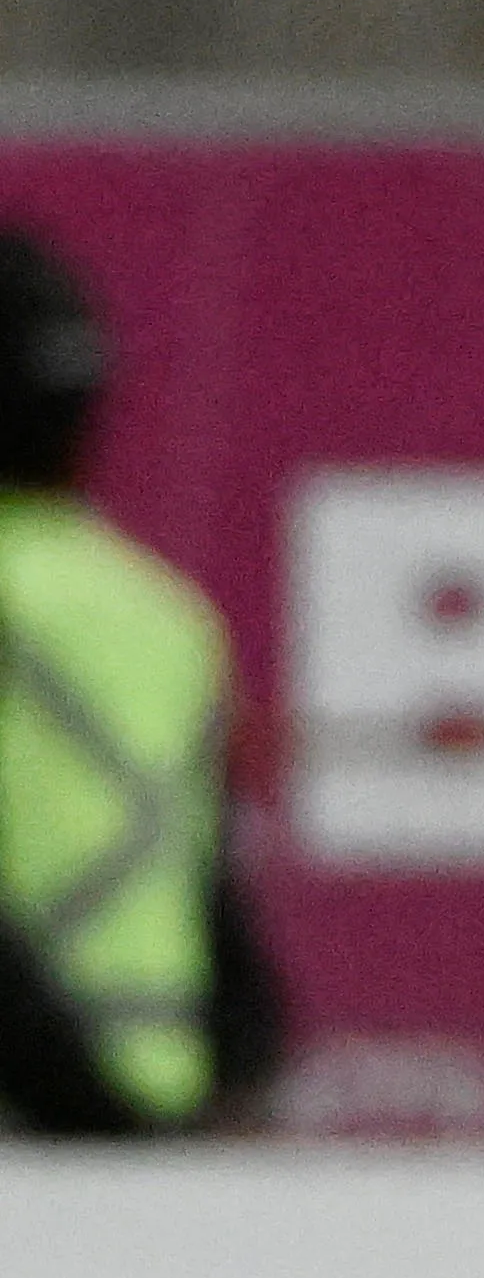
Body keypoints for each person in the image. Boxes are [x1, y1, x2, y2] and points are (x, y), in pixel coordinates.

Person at [0, 228, 287, 1140]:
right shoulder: (168, 615)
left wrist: (71, 1096)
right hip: (149, 1109)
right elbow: (216, 908)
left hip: (44, 1110)